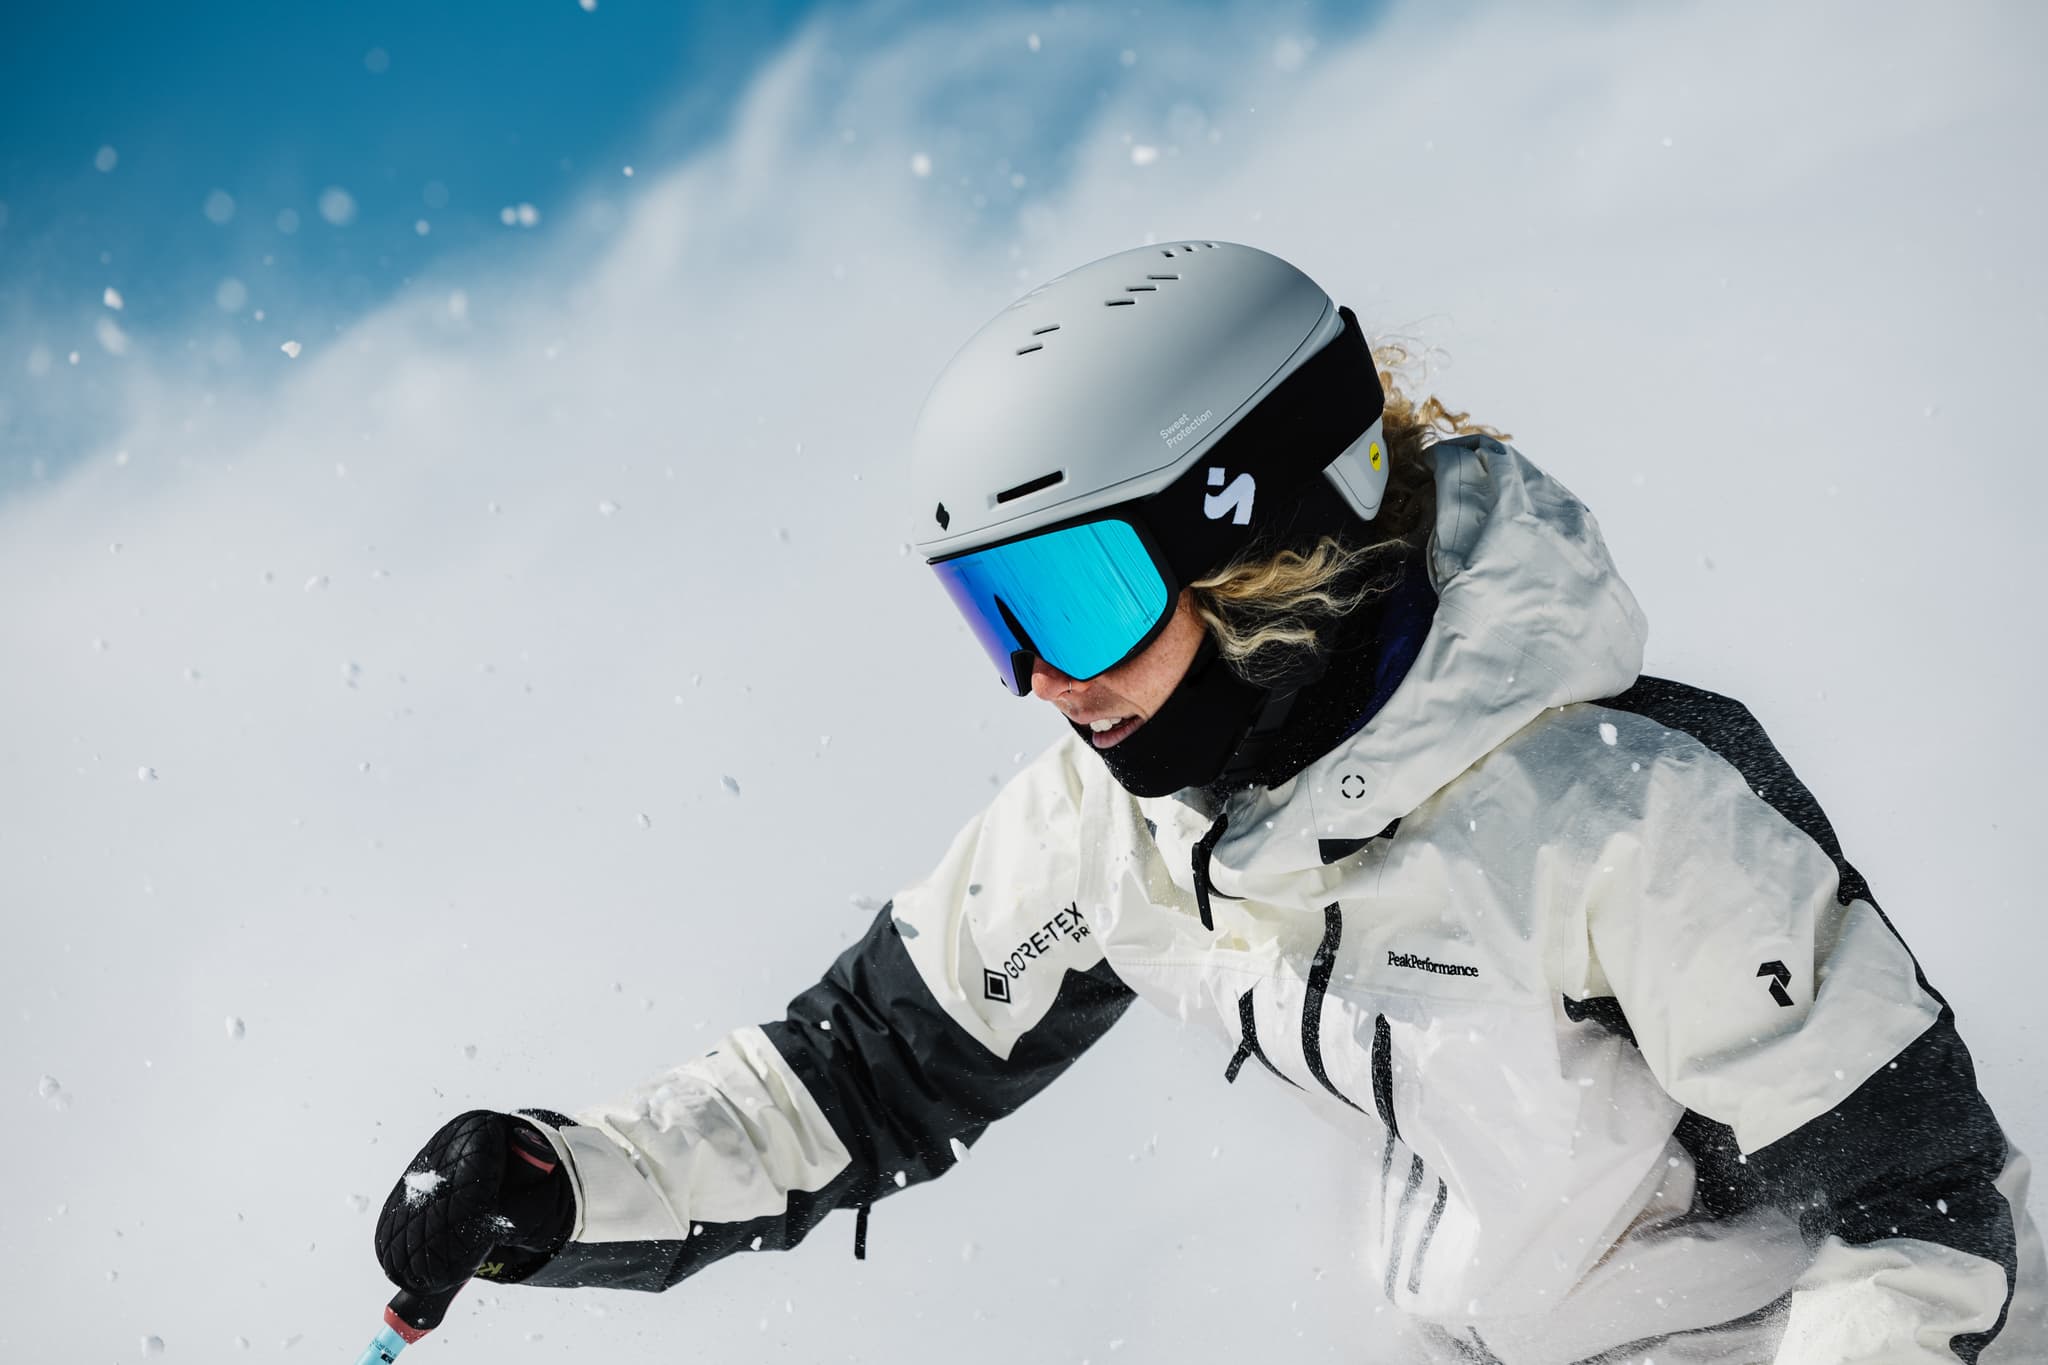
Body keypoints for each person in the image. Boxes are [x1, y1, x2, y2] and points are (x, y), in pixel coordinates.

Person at [372, 242, 2046, 1362]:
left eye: (1078, 597)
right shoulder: (1129, 828)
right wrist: (564, 1177)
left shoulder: (1622, 822)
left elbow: (1923, 1221)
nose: (1041, 678)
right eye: (993, 614)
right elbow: (853, 1078)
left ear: (1268, 543)